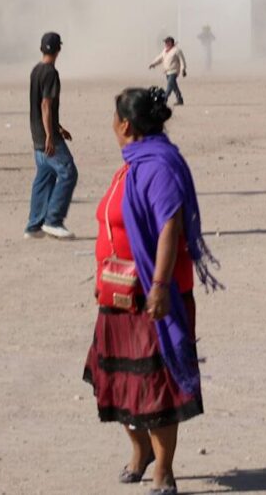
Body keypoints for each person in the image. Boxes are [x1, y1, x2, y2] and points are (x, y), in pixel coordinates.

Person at [83, 86, 222, 495]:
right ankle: (140, 451)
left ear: (125, 125)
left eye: (113, 118)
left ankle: (164, 468)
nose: (111, 124)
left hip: (152, 298)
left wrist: (160, 286)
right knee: (121, 383)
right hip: (119, 295)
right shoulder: (132, 164)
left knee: (157, 388)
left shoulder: (158, 166)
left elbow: (169, 226)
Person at [25, 32, 78, 240]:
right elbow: (45, 104)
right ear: (59, 50)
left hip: (37, 132)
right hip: (46, 136)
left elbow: (43, 107)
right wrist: (51, 135)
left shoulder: (36, 70)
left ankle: (34, 225)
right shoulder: (50, 73)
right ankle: (53, 221)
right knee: (68, 172)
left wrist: (58, 127)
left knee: (45, 176)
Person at [149, 37, 187, 106]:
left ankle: (164, 99)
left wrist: (183, 69)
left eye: (167, 42)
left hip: (174, 71)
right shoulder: (165, 51)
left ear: (171, 42)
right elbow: (160, 58)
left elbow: (182, 61)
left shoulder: (177, 50)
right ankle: (180, 99)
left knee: (169, 86)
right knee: (174, 86)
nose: (166, 43)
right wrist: (153, 64)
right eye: (165, 42)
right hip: (167, 72)